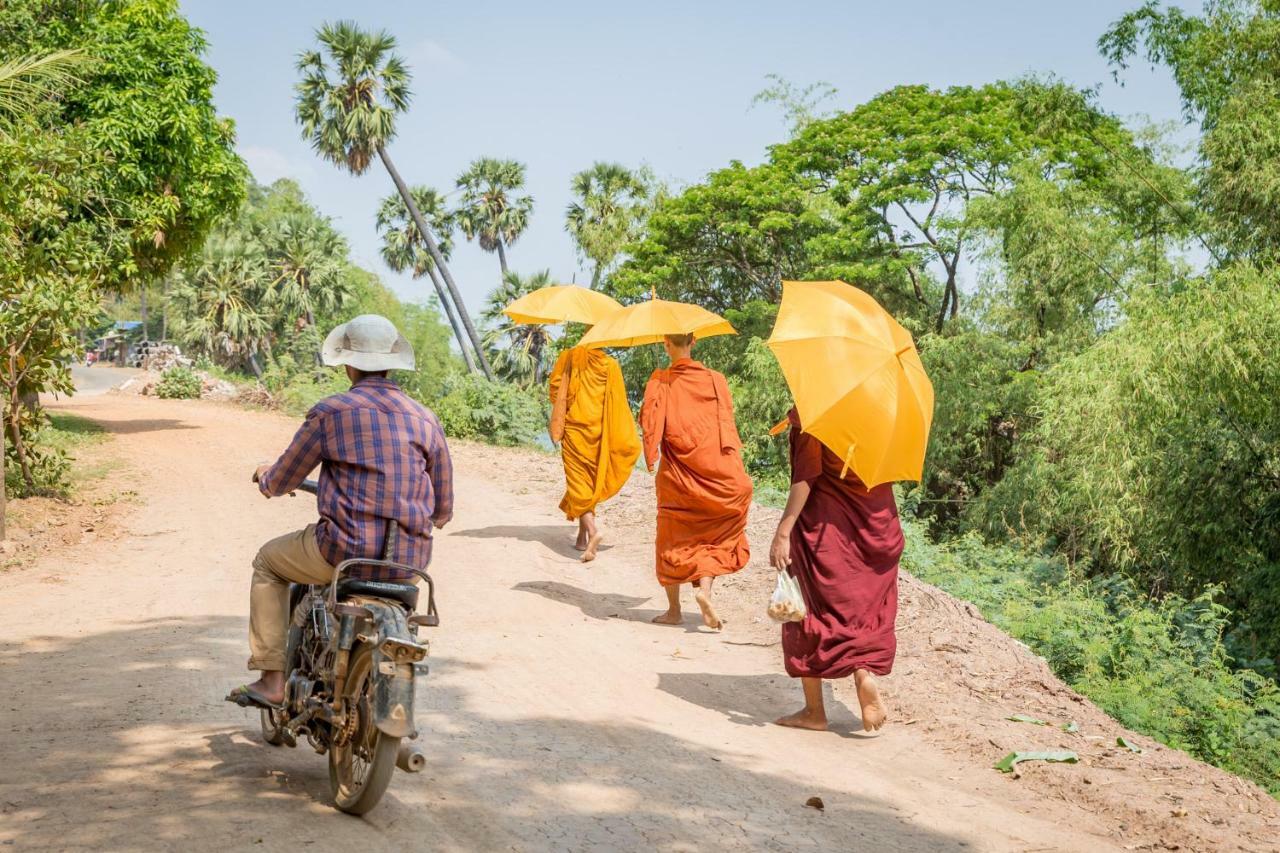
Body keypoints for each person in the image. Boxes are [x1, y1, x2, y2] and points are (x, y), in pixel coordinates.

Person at [226, 314, 453, 709]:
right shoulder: (425, 418)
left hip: (343, 552)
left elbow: (282, 479)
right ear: (391, 360)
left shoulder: (332, 412)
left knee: (268, 562)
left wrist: (266, 479)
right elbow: (444, 507)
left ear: (347, 363)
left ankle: (271, 678)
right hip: (408, 564)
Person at [769, 407, 903, 732]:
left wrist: (783, 531)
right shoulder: (880, 416)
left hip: (827, 532)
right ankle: (863, 674)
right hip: (879, 529)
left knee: (807, 613)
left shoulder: (816, 414)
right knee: (864, 613)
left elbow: (805, 478)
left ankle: (814, 712)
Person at [639, 333, 752, 629]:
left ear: (666, 344)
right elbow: (726, 422)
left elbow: (650, 424)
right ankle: (704, 592)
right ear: (694, 341)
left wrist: (650, 454)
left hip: (678, 474)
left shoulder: (661, 381)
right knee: (712, 538)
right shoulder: (716, 380)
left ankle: (674, 611)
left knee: (673, 537)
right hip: (717, 471)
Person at [547, 345, 640, 562]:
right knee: (588, 482)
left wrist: (566, 400)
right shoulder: (611, 365)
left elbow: (555, 389)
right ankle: (581, 538)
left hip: (575, 428)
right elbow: (618, 403)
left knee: (578, 483)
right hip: (600, 431)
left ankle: (592, 530)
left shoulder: (570, 356)